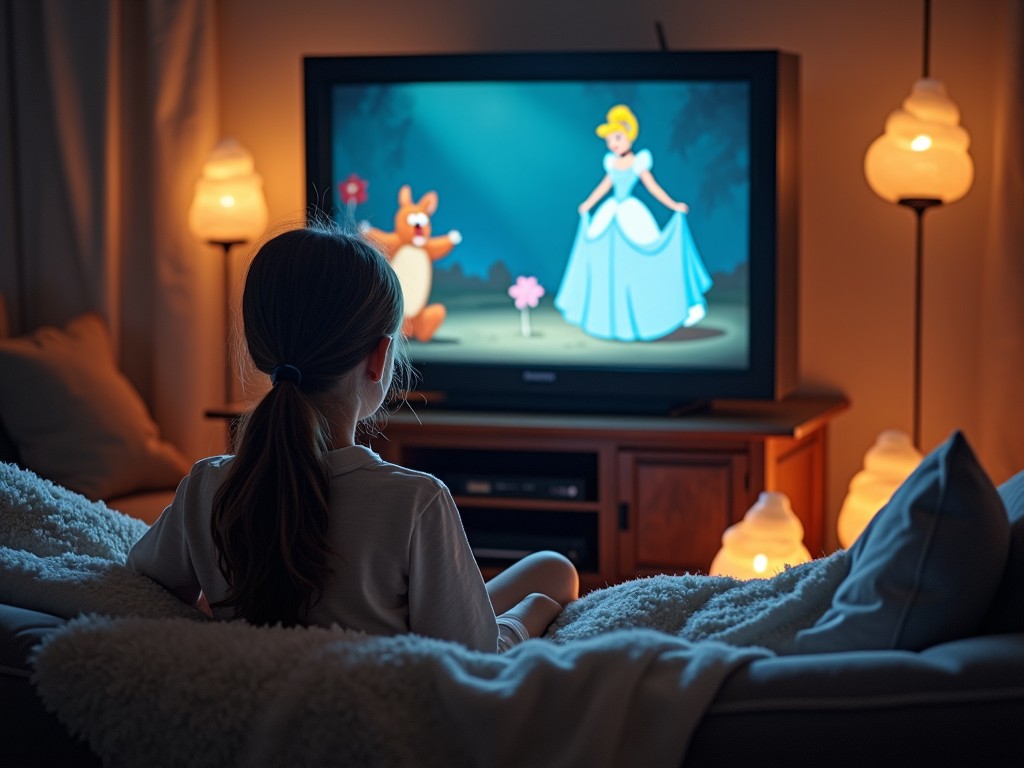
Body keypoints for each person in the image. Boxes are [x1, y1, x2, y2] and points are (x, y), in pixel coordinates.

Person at [127, 224, 578, 652]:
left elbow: (142, 585)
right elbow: (473, 656)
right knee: (555, 575)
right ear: (380, 358)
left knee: (549, 568)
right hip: (403, 669)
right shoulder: (416, 501)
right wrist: (530, 616)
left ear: (261, 347)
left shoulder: (208, 487)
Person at [554, 103, 713, 341]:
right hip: (610, 214)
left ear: (629, 134)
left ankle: (660, 310)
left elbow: (652, 187)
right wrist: (588, 204)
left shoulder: (638, 162)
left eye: (617, 137)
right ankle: (611, 318)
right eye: (609, 139)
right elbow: (604, 187)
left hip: (630, 215)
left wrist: (673, 205)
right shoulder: (611, 163)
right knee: (606, 265)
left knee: (643, 259)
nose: (613, 143)